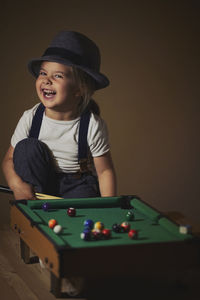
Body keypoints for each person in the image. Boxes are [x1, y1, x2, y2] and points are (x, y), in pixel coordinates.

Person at [2, 30, 117, 200]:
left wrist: (109, 205)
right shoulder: (31, 117)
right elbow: (8, 161)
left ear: (80, 89)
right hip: (38, 186)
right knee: (26, 147)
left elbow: (105, 171)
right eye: (43, 73)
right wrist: (17, 185)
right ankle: (32, 210)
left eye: (58, 75)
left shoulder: (93, 125)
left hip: (77, 185)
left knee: (85, 206)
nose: (47, 80)